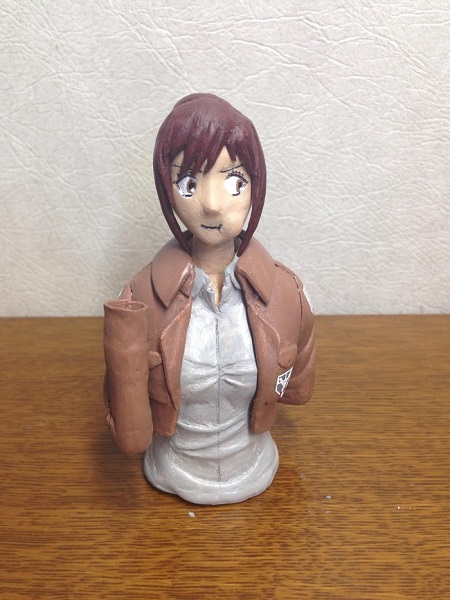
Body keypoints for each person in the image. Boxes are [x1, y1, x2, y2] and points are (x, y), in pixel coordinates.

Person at [103, 93, 316, 505]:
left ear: (255, 185)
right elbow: (126, 411)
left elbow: (298, 387)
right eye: (188, 184)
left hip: (255, 463)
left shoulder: (287, 294)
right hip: (171, 466)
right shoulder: (140, 297)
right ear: (168, 191)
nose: (213, 205)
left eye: (234, 182)